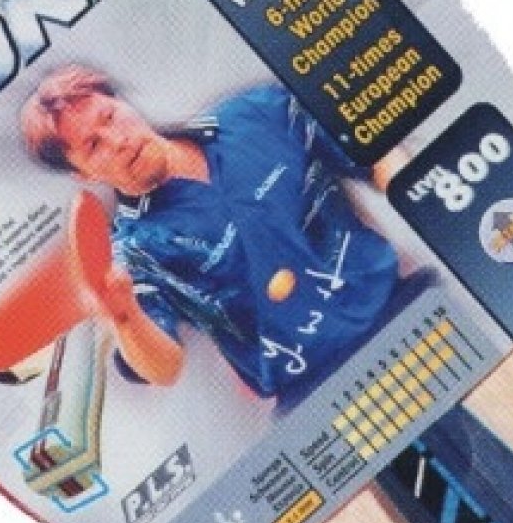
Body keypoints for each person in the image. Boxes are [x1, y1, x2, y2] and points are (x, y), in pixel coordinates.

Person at [21, 66, 415, 403]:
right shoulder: (136, 251)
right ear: (83, 174)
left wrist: (419, 191)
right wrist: (124, 316)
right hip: (316, 391)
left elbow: (374, 155)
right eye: (93, 146)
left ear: (123, 103)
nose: (118, 141)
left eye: (109, 117)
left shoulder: (259, 112)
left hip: (404, 309)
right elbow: (164, 369)